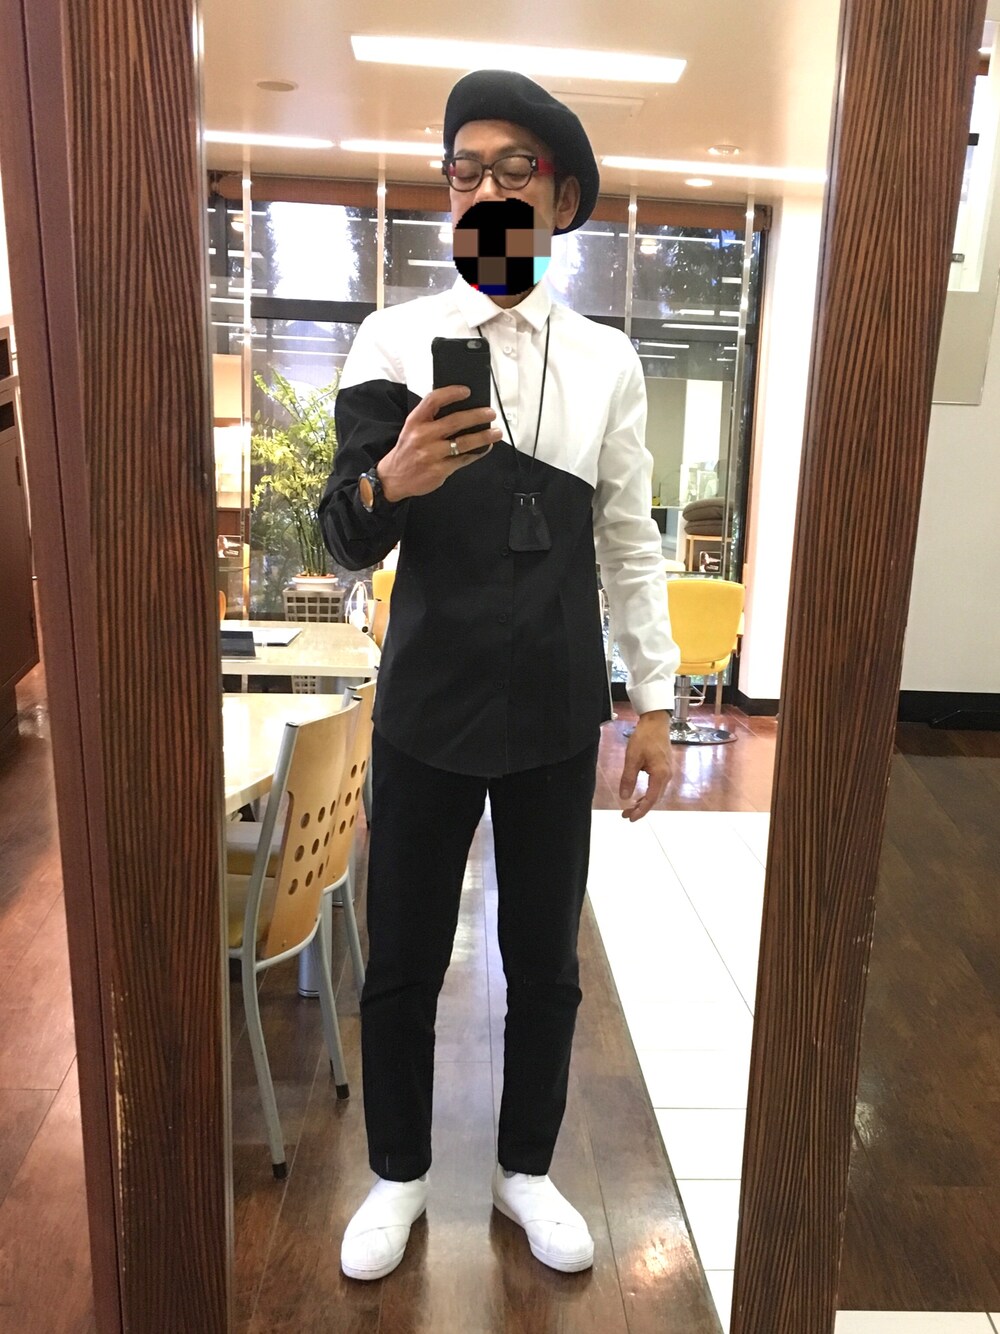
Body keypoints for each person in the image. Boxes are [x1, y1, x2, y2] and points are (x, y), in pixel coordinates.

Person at [319, 69, 680, 1282]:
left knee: (546, 960)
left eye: (513, 169)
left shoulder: (607, 360)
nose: (485, 189)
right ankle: (398, 1172)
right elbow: (342, 535)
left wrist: (655, 703)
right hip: (426, 699)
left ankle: (527, 1167)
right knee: (403, 956)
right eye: (464, 170)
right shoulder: (390, 340)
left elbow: (628, 540)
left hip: (557, 704)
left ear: (560, 198)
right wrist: (393, 479)